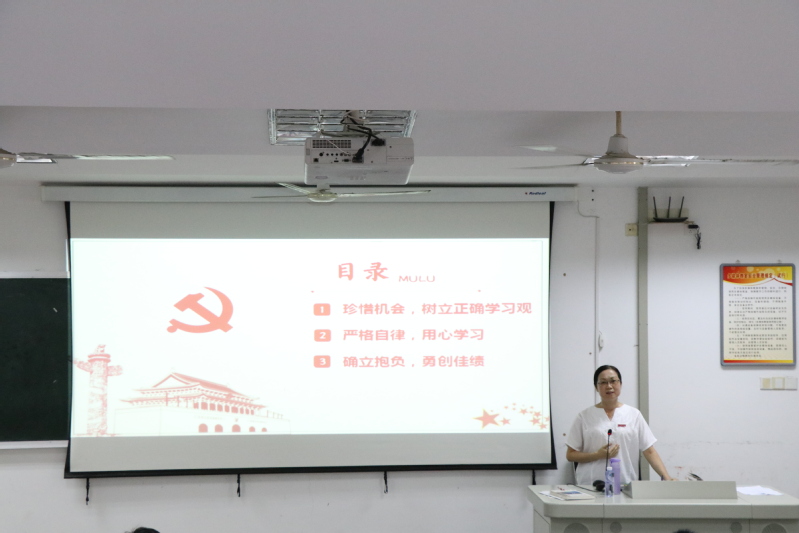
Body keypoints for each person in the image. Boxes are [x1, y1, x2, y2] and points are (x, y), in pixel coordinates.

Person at [565, 365, 673, 486]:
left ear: (620, 384)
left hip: (625, 485)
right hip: (590, 485)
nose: (609, 386)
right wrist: (597, 455)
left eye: (613, 381)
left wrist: (667, 478)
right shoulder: (584, 416)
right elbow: (570, 455)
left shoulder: (634, 415)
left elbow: (649, 451)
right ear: (596, 387)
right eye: (603, 382)